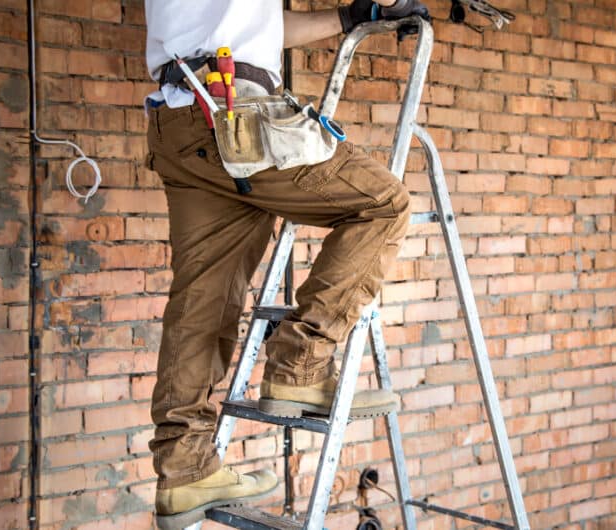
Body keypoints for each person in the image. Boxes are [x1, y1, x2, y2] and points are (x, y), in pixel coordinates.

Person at [143, 0, 430, 527]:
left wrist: (352, 16)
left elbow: (261, 28)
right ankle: (301, 365)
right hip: (234, 114)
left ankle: (183, 469)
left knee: (202, 299)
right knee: (382, 206)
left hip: (181, 119)